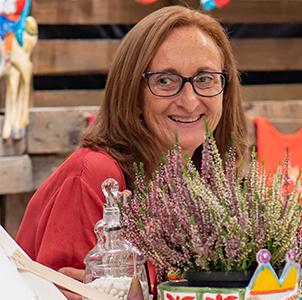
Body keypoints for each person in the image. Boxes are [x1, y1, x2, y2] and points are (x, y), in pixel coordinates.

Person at [16, 6, 248, 299]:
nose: (190, 102)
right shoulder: (93, 176)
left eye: (205, 79)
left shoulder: (200, 183)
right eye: (165, 80)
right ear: (132, 94)